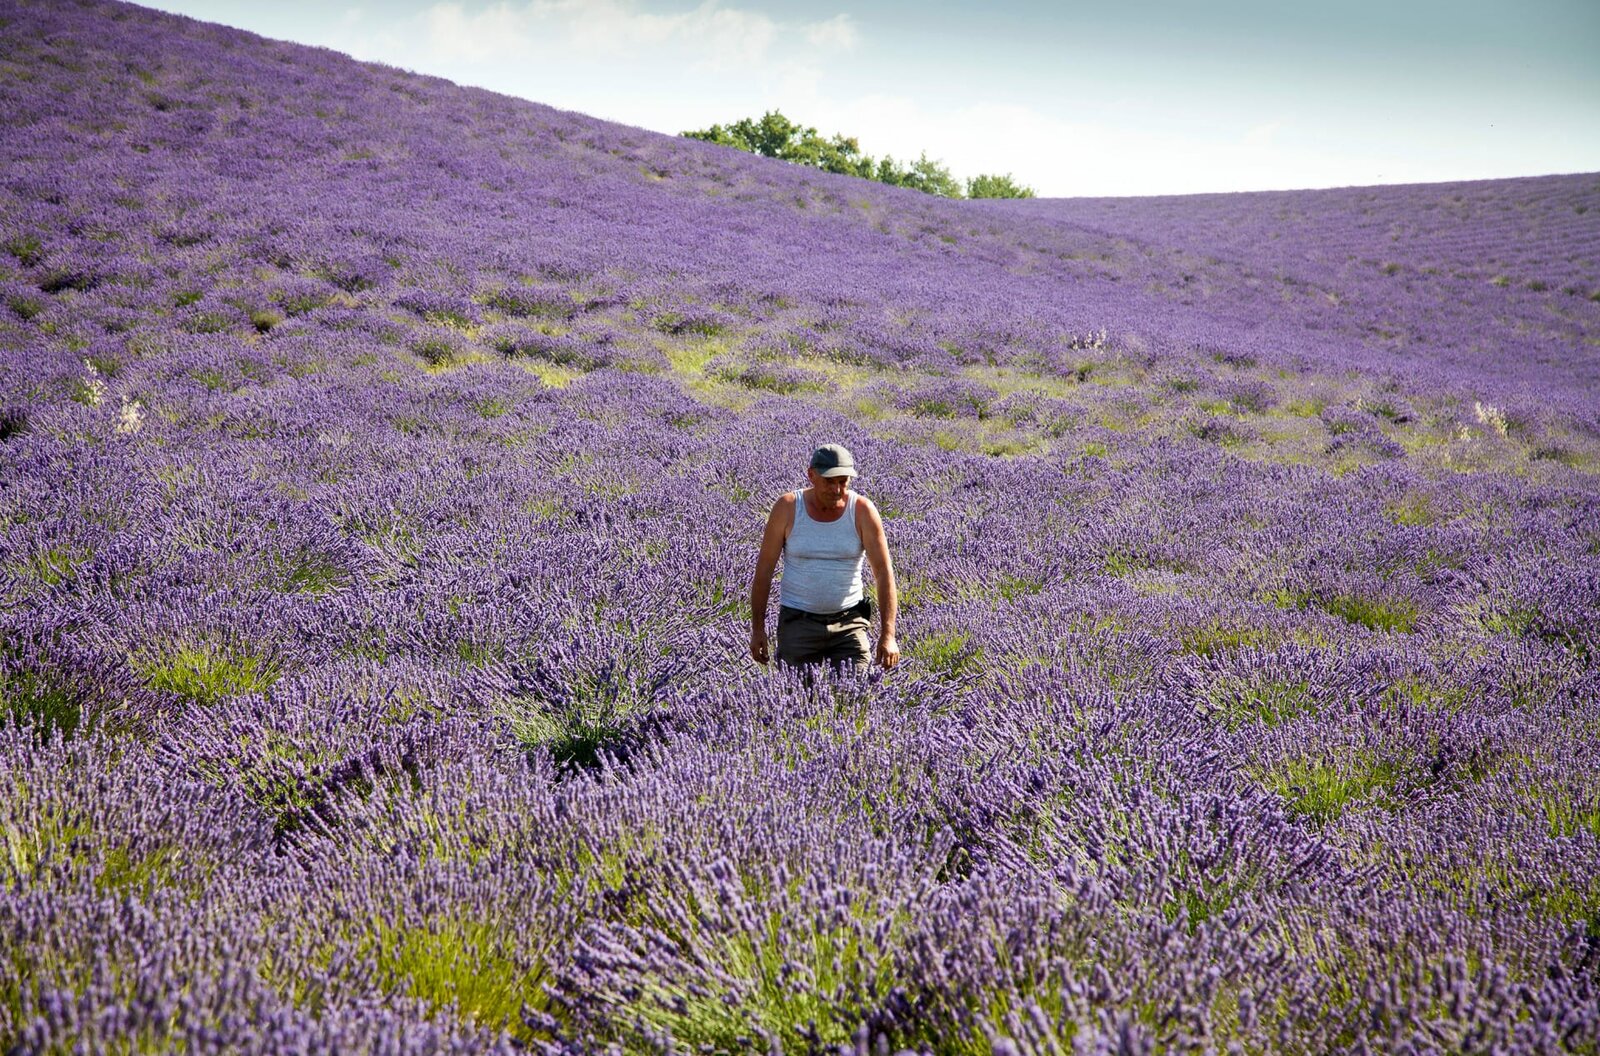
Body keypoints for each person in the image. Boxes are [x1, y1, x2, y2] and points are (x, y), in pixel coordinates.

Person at [750, 443, 900, 672]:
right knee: (794, 693)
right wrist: (758, 629)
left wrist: (888, 635)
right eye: (829, 481)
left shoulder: (862, 511)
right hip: (798, 623)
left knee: (857, 690)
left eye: (843, 481)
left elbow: (883, 572)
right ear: (811, 475)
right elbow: (764, 570)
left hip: (849, 623)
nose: (837, 489)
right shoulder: (788, 508)